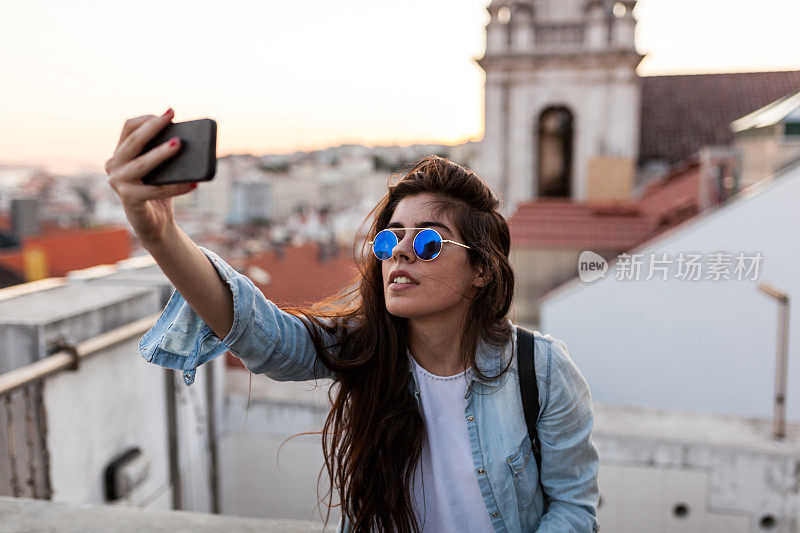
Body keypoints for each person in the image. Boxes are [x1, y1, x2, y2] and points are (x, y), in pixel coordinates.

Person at [105, 108, 600, 533]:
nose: (400, 251)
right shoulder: (366, 350)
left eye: (428, 242)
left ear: (482, 270)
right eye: (389, 240)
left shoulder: (542, 370)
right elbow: (265, 336)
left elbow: (574, 511)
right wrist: (160, 232)